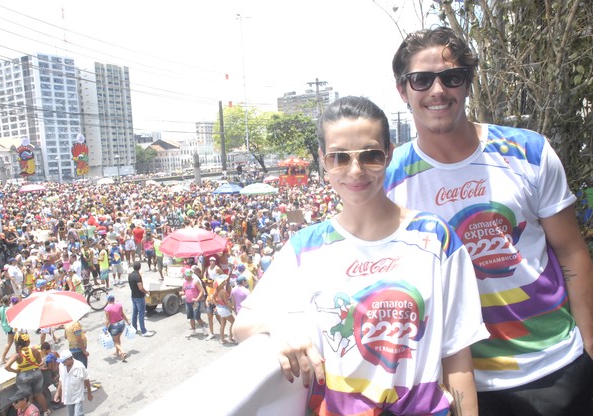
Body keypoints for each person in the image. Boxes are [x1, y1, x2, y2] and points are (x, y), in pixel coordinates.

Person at [384, 27, 593, 416]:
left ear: (468, 84)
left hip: (555, 366)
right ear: (403, 90)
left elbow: (571, 252)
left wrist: (590, 347)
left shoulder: (528, 152)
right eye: (421, 79)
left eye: (452, 77)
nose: (438, 90)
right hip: (457, 380)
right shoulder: (387, 180)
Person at [233, 96, 488, 415]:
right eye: (340, 158)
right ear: (324, 162)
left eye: (370, 156)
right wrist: (280, 327)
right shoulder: (306, 246)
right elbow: (242, 323)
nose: (355, 171)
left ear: (389, 155)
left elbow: (457, 356)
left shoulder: (436, 238)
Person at [4, 333, 50, 416]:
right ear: (27, 342)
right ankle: (46, 411)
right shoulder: (34, 350)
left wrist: (15, 371)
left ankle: (28, 413)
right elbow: (40, 362)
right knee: (39, 394)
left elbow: (6, 366)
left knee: (27, 397)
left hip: (23, 377)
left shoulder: (17, 355)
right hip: (36, 374)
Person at [54, 350, 93, 416]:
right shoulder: (61, 366)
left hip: (77, 395)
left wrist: (89, 393)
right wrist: (57, 392)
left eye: (64, 361)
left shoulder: (79, 366)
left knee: (78, 414)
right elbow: (61, 379)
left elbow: (86, 379)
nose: (62, 363)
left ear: (69, 359)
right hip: (68, 396)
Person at [128, 262, 152, 337]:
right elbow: (141, 288)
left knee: (134, 313)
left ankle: (134, 328)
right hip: (139, 297)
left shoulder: (130, 275)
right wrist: (146, 292)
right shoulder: (138, 276)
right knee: (141, 314)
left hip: (133, 296)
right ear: (140, 267)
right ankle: (143, 331)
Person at [104, 294, 130, 361]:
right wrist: (127, 321)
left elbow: (107, 320)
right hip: (122, 324)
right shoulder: (119, 305)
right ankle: (117, 352)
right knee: (118, 339)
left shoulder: (107, 308)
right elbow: (122, 314)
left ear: (108, 300)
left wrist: (105, 328)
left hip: (114, 326)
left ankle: (122, 351)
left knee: (115, 341)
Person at [182, 269, 207, 338]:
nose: (184, 277)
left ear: (189, 276)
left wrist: (197, 299)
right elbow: (183, 291)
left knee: (196, 316)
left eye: (185, 276)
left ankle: (203, 328)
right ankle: (193, 330)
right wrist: (182, 293)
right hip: (188, 302)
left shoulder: (195, 282)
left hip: (195, 302)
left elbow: (201, 291)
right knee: (190, 316)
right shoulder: (184, 282)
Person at [0, 295, 15, 363]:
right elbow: (9, 319)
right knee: (9, 342)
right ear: (8, 301)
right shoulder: (9, 309)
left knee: (13, 340)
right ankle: (2, 357)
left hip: (4, 327)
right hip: (9, 327)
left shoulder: (1, 308)